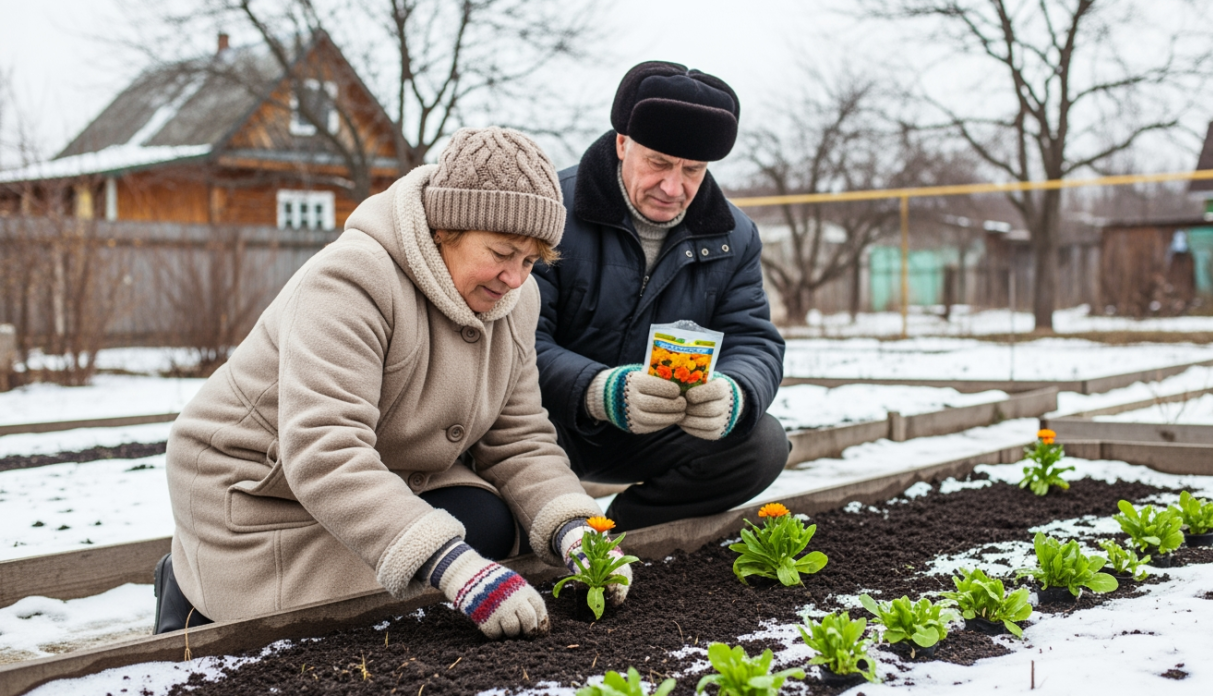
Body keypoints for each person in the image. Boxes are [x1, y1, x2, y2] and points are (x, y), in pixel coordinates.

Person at [154, 127, 628, 640]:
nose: (515, 278)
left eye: (530, 261)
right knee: (364, 606)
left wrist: (578, 530)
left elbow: (519, 439)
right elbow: (325, 447)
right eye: (500, 252)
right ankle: (190, 590)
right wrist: (455, 567)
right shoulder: (351, 279)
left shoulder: (515, 301)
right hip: (261, 486)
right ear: (446, 229)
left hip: (383, 467)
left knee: (491, 525)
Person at [534, 61, 788, 531]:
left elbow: (754, 341)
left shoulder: (735, 236)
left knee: (762, 443)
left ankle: (628, 532)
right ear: (622, 144)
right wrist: (598, 391)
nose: (674, 188)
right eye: (658, 163)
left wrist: (734, 393)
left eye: (693, 170)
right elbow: (518, 343)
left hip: (659, 427)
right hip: (549, 425)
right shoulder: (551, 211)